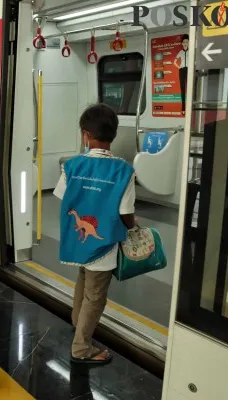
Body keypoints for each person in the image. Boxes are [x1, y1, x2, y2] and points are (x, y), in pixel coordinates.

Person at [53, 104, 136, 365]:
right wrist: (133, 227)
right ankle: (82, 347)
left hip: (78, 242)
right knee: (95, 295)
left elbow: (61, 196)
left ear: (85, 135)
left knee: (82, 279)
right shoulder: (124, 170)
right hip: (104, 245)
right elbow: (125, 212)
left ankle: (78, 323)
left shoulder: (72, 165)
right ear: (113, 135)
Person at [174, 34, 188, 114]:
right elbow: (174, 62)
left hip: (189, 70)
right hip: (182, 70)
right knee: (182, 90)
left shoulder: (191, 51)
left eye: (186, 42)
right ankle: (183, 109)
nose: (185, 43)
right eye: (184, 42)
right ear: (182, 43)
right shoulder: (180, 52)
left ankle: (189, 108)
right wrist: (179, 67)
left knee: (189, 89)